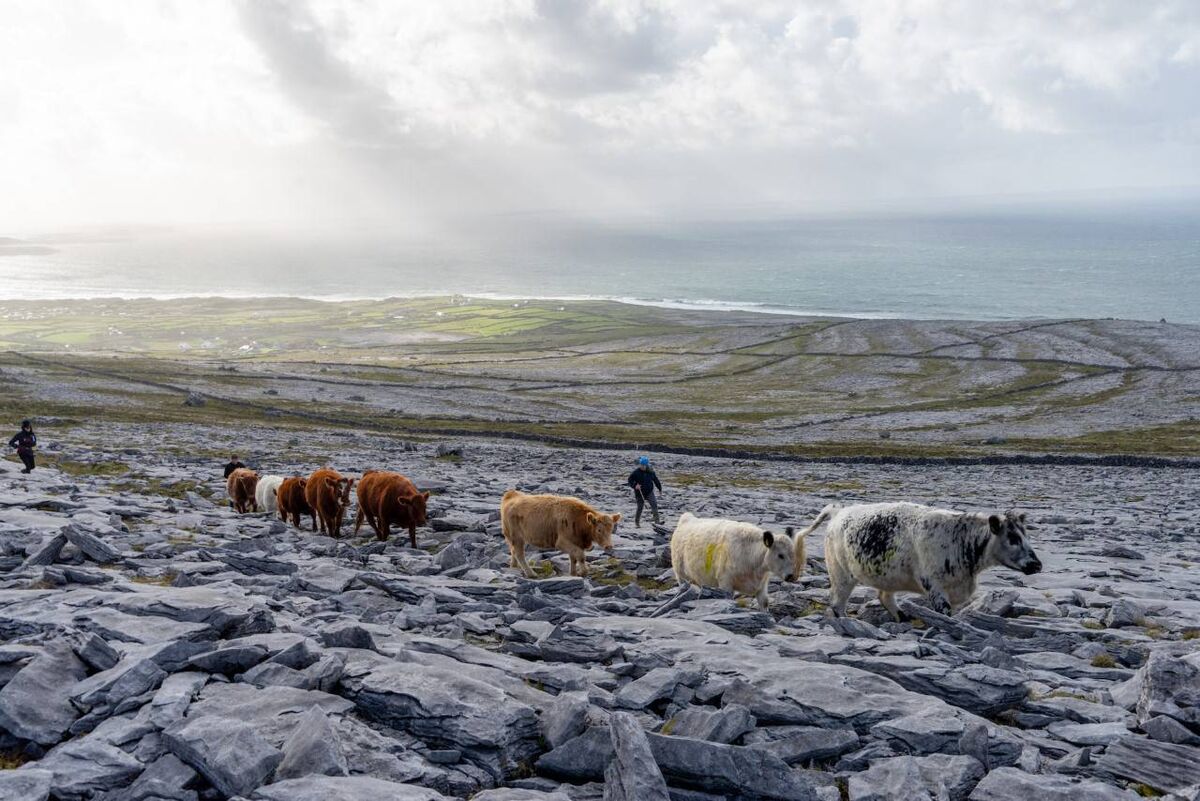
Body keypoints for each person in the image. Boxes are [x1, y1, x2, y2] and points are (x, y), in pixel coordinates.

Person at [627, 455, 663, 527]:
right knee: (640, 507)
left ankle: (657, 522)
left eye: (644, 465)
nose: (642, 467)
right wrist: (635, 485)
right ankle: (637, 522)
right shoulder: (636, 472)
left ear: (647, 465)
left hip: (649, 492)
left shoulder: (651, 472)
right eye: (641, 465)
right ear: (639, 464)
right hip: (639, 493)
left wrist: (659, 488)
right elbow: (630, 480)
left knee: (654, 504)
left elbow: (655, 480)